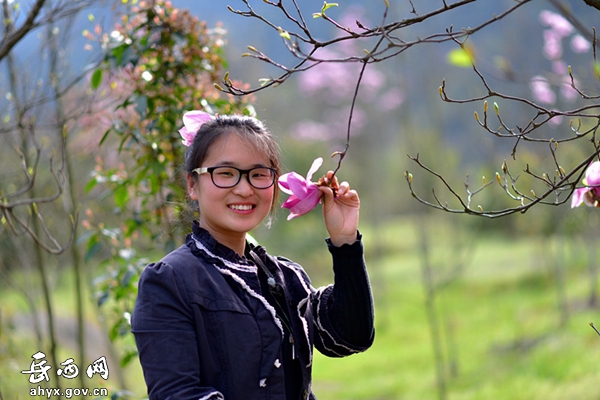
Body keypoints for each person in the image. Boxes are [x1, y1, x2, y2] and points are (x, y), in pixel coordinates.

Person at [131, 113, 375, 400]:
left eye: (259, 174)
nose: (244, 189)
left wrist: (345, 241)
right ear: (192, 184)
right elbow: (178, 393)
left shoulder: (285, 277)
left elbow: (349, 336)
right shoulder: (170, 281)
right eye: (225, 173)